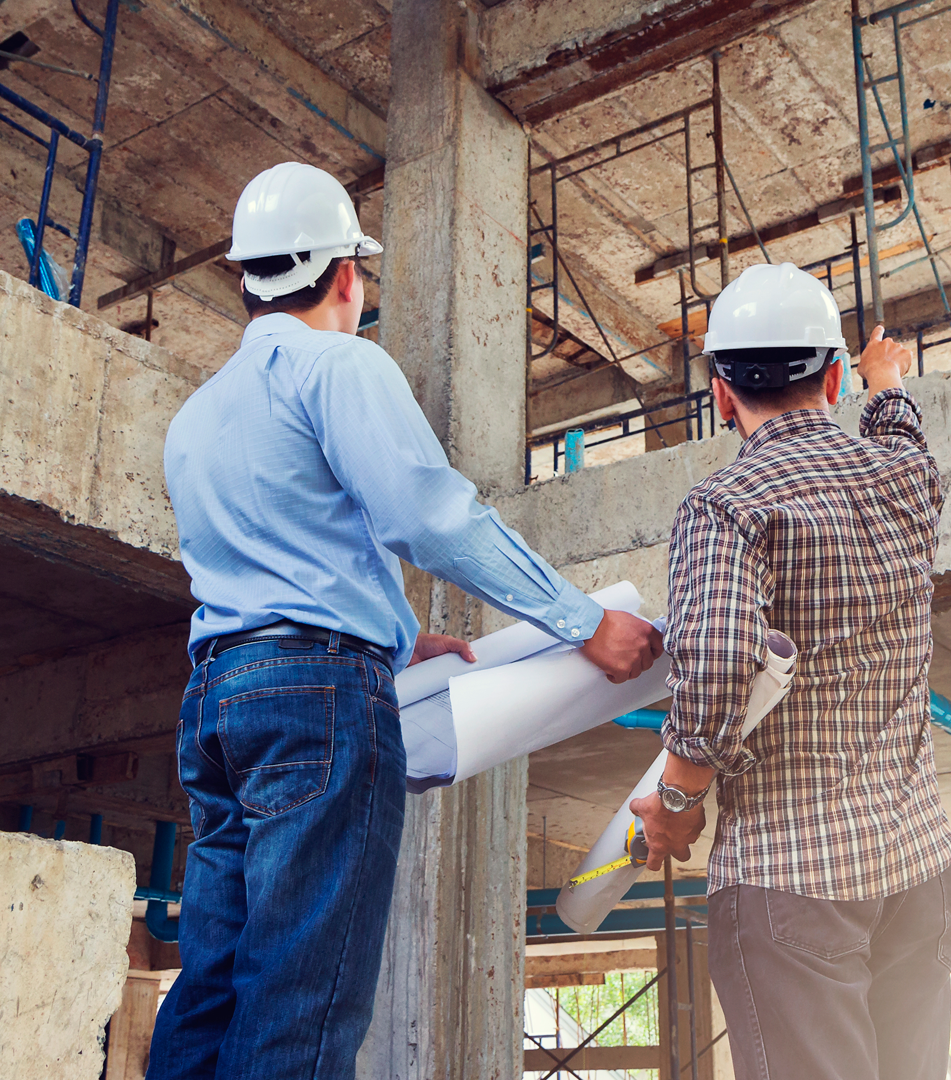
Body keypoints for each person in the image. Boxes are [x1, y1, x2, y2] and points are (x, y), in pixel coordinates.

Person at [147, 161, 663, 1080]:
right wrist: (584, 621)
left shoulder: (194, 418)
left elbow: (285, 547)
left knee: (213, 986)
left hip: (218, 701)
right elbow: (431, 518)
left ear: (244, 282)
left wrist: (393, 632)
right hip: (317, 702)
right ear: (346, 276)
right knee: (302, 996)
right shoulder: (341, 364)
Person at [630, 262, 951, 1080]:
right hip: (919, 873)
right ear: (836, 376)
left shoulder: (726, 505)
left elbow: (713, 668)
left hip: (793, 882)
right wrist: (887, 382)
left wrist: (676, 803)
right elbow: (900, 432)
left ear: (719, 394)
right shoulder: (907, 479)